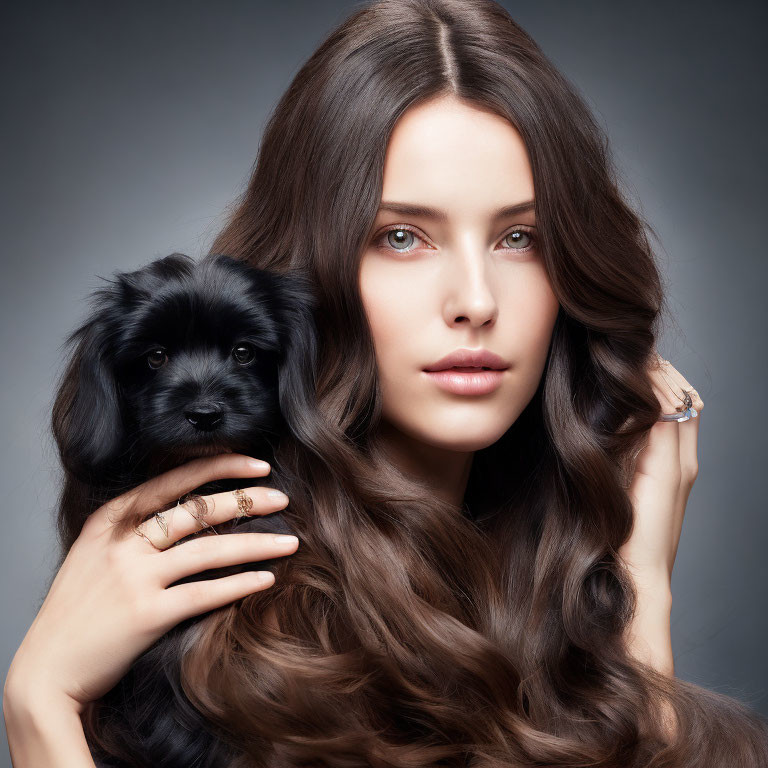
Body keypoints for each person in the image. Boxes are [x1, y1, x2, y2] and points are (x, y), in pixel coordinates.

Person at [5, 0, 768, 765]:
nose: (474, 301)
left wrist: (638, 589)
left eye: (519, 238)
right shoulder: (230, 627)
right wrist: (41, 706)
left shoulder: (542, 593)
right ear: (309, 267)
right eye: (402, 236)